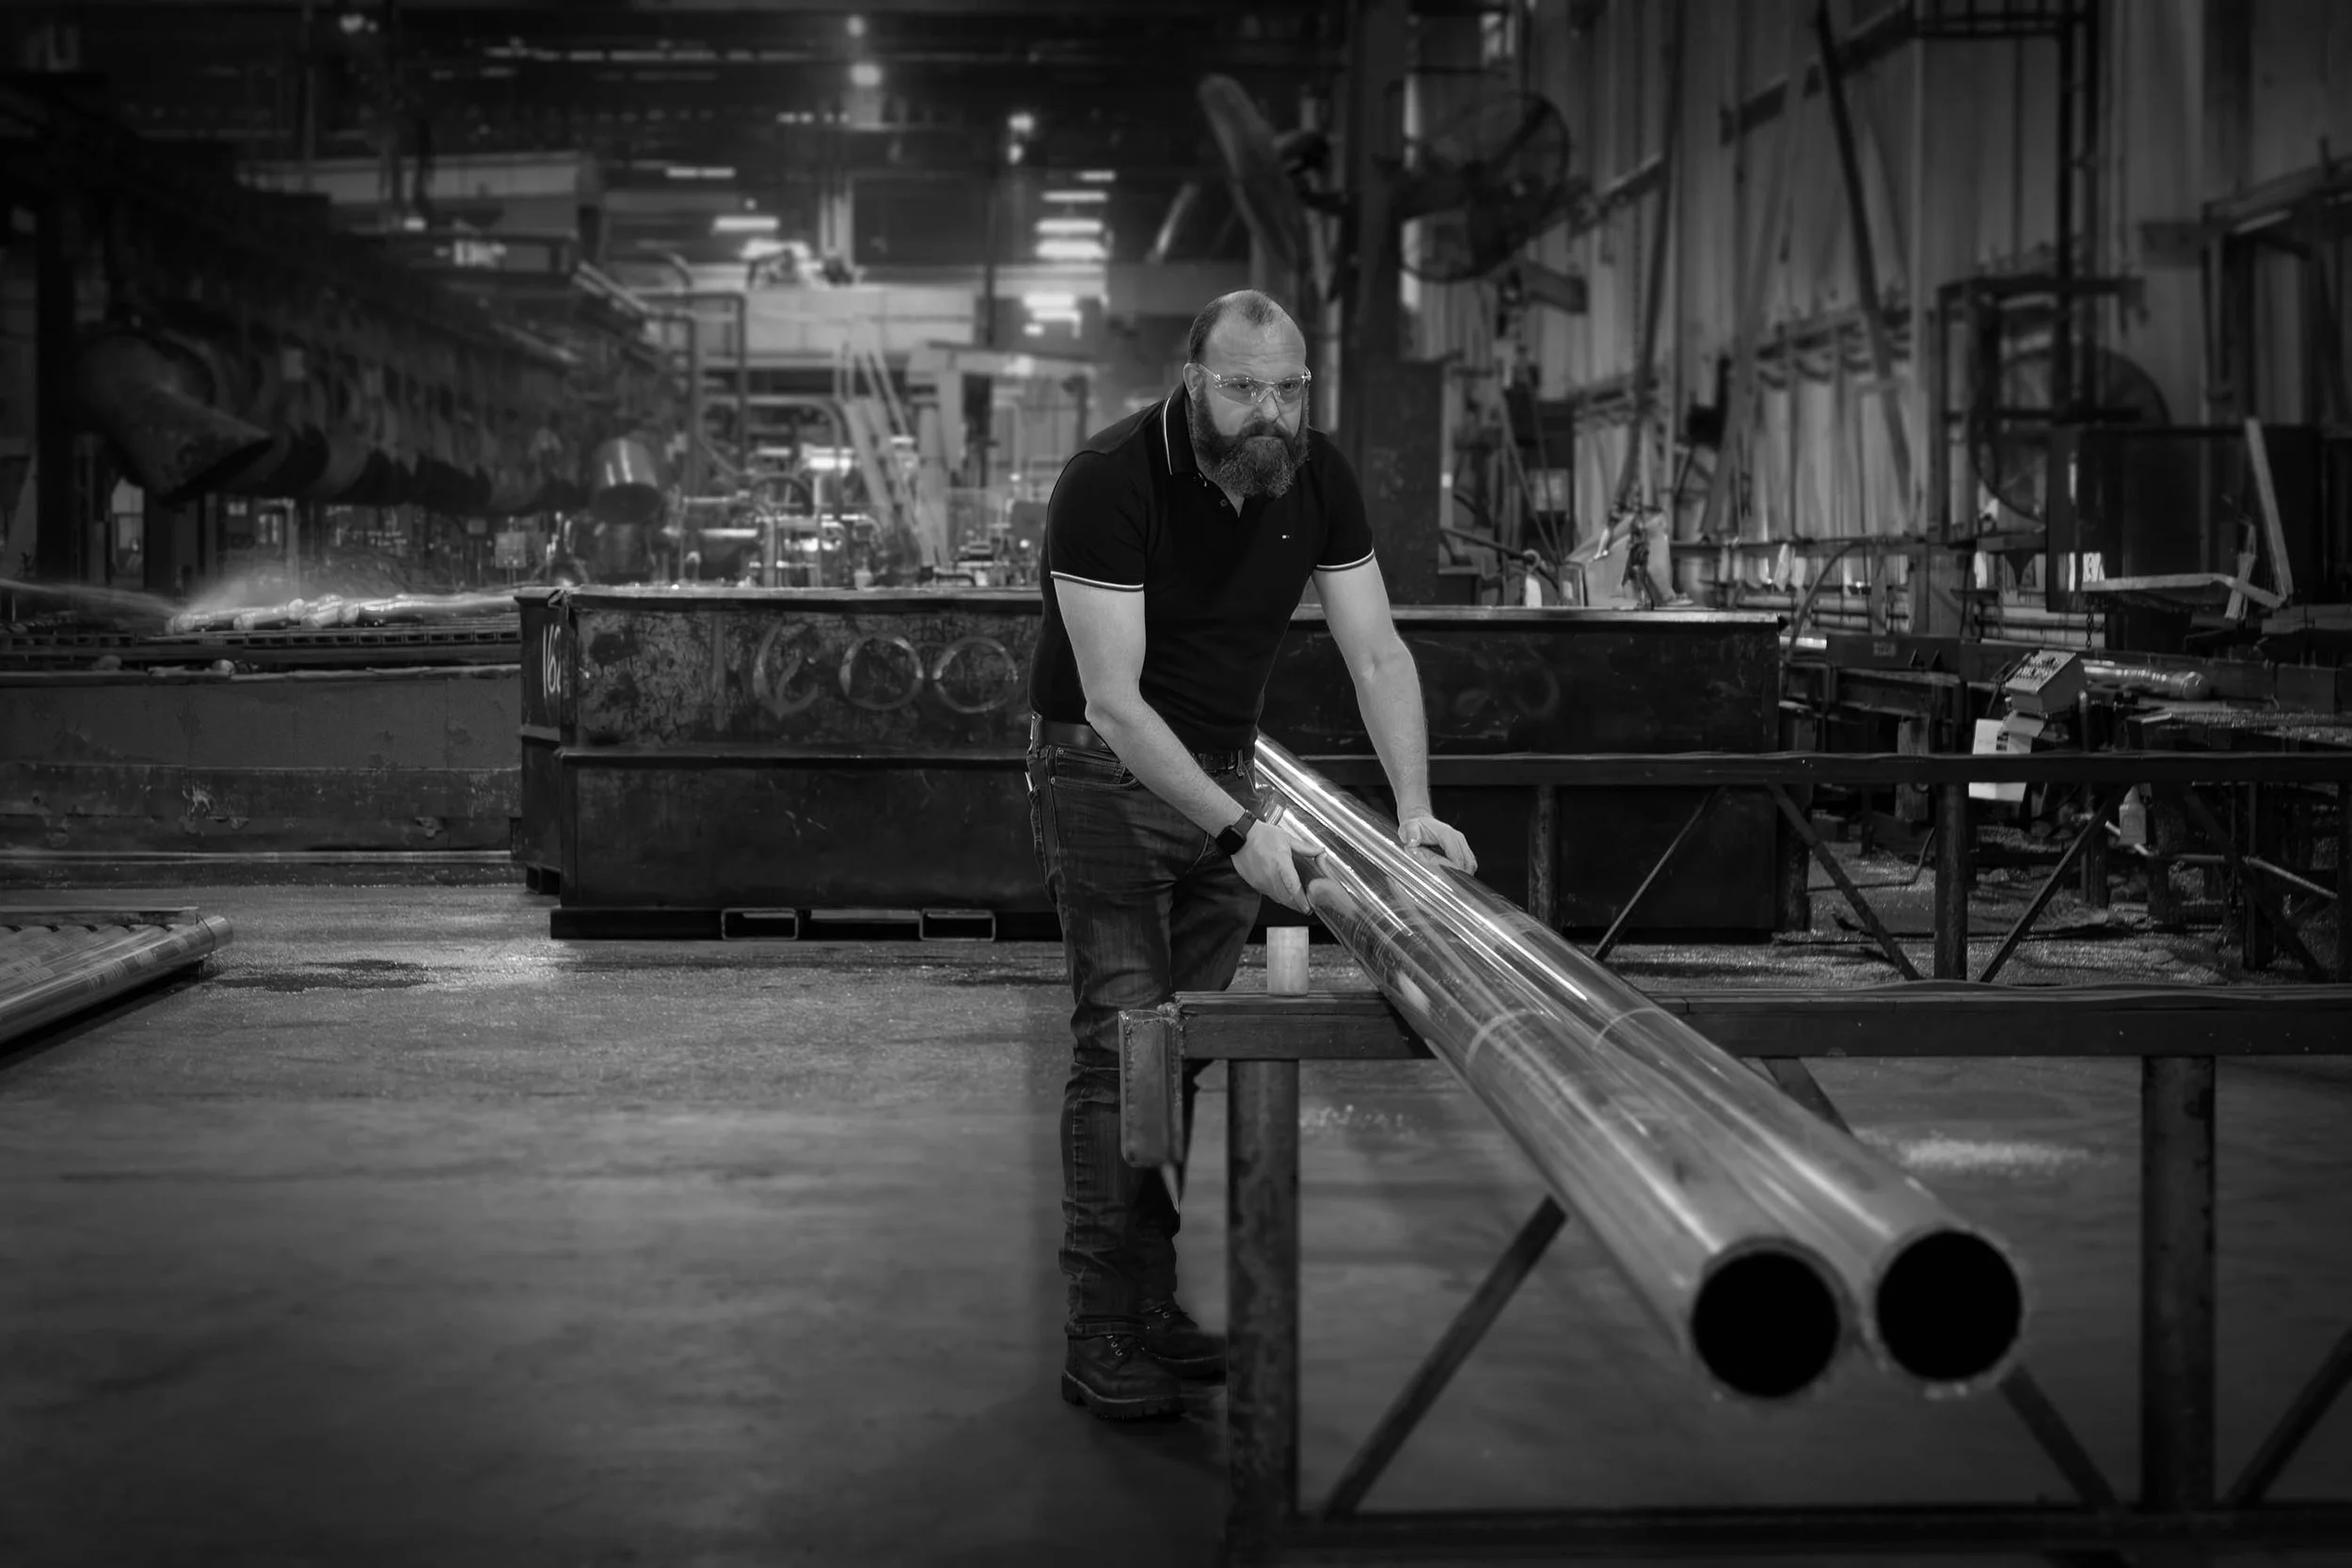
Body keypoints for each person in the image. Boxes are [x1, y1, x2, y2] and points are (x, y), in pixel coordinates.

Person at [1025, 289, 1477, 1421]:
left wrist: (1416, 806)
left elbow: (1377, 654)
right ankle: (1100, 1328)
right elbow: (1114, 702)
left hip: (1226, 769)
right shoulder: (1110, 481)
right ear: (1193, 381)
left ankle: (1148, 1301)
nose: (1268, 411)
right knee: (1122, 1042)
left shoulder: (1314, 476)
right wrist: (1238, 830)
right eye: (1241, 388)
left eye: (1288, 388)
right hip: (1102, 773)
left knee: (1178, 1050)